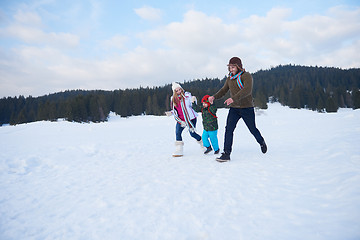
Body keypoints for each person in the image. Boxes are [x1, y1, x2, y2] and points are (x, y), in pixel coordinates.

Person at [208, 57, 267, 162]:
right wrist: (214, 97)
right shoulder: (229, 78)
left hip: (247, 108)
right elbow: (223, 90)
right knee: (229, 129)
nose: (231, 69)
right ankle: (226, 154)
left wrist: (233, 98)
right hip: (234, 109)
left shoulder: (246, 76)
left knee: (252, 129)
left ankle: (261, 141)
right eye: (230, 67)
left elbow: (247, 90)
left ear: (238, 66)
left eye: (233, 67)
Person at [169, 82, 203, 157]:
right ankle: (179, 149)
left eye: (179, 89)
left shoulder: (187, 95)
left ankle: (202, 143)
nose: (179, 91)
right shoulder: (173, 99)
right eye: (176, 90)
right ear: (174, 92)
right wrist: (171, 113)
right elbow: (175, 110)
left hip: (191, 118)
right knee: (178, 132)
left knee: (192, 134)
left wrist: (194, 100)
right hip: (181, 120)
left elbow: (193, 105)